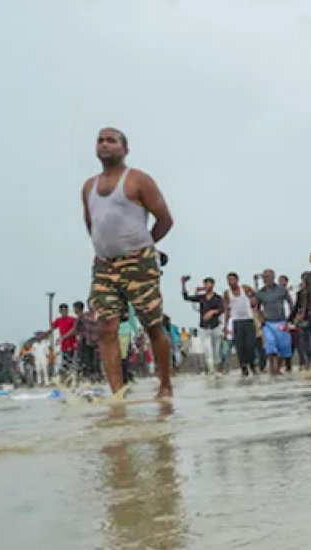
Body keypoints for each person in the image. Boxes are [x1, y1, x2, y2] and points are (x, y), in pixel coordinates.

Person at [81, 127, 175, 398]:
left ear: (125, 149)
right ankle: (117, 394)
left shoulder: (138, 180)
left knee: (152, 324)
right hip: (103, 265)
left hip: (139, 262)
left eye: (111, 141)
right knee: (105, 327)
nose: (105, 145)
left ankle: (165, 385)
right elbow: (93, 224)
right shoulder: (89, 187)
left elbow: (165, 219)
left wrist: (145, 248)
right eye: (100, 140)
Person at [254, 269, 294, 375]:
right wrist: (260, 317)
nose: (266, 279)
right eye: (264, 277)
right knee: (270, 346)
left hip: (281, 321)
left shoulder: (281, 290)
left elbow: (290, 302)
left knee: (284, 346)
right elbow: (256, 307)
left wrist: (292, 316)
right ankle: (273, 369)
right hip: (268, 323)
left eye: (268, 277)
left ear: (273, 277)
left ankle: (279, 367)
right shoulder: (260, 293)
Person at [182, 276, 224, 374]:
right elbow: (187, 297)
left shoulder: (217, 298)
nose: (206, 285)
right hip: (203, 327)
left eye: (208, 283)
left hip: (215, 326)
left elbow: (222, 309)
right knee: (207, 349)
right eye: (205, 283)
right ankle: (211, 371)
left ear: (213, 285)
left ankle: (218, 369)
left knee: (216, 350)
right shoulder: (201, 297)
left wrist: (213, 312)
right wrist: (183, 284)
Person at [221, 273, 257, 376]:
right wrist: (225, 326)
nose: (231, 282)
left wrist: (254, 304)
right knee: (240, 346)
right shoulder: (227, 293)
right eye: (228, 280)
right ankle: (243, 367)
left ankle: (252, 364)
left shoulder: (245, 288)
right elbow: (226, 310)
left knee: (250, 345)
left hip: (248, 320)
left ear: (237, 280)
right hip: (237, 322)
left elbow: (254, 297)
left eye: (232, 280)